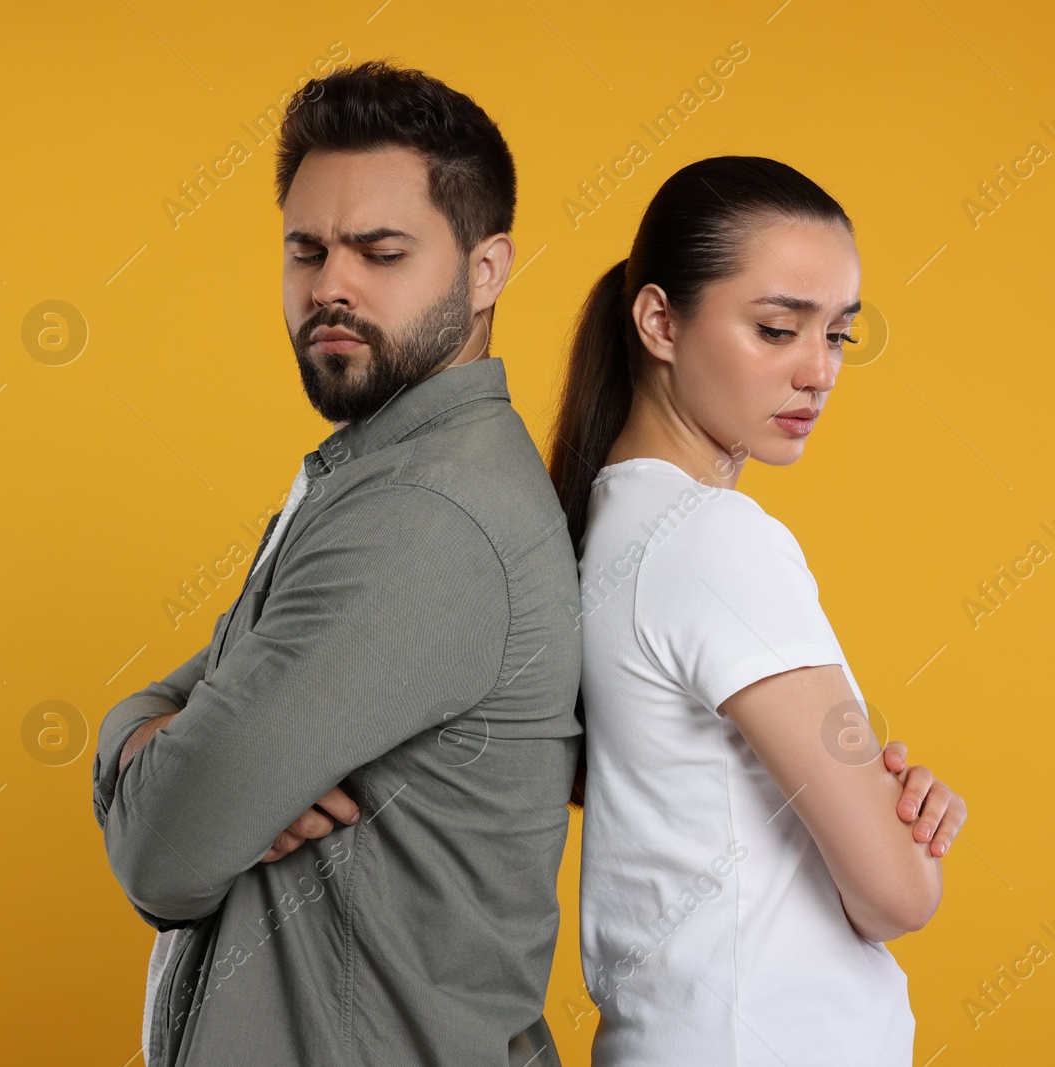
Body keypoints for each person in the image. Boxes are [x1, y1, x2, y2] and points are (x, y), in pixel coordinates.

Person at [92, 61, 583, 1066]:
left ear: (486, 270)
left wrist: (157, 759)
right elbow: (180, 727)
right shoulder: (378, 477)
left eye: (381, 251)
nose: (330, 287)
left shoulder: (425, 516)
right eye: (306, 250)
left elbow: (164, 849)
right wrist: (144, 738)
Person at [549, 155, 969, 1065]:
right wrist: (910, 842)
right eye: (778, 329)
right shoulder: (714, 541)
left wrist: (881, 809)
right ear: (659, 320)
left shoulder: (607, 528)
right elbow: (898, 895)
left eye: (839, 336)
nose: (818, 372)